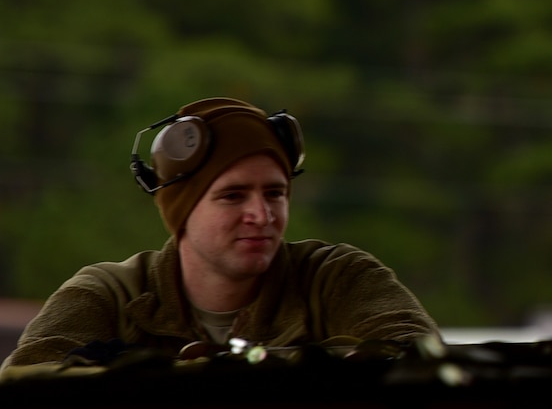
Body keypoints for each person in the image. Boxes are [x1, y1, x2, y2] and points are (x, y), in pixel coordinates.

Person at [5, 97, 438, 367]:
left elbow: (426, 364)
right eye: (233, 196)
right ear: (182, 211)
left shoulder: (337, 280)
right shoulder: (109, 297)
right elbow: (25, 387)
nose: (261, 214)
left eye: (275, 193)